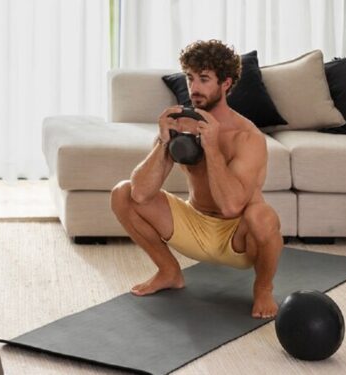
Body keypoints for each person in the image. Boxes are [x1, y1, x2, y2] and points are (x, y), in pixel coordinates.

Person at [110, 40, 283, 319]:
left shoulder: (246, 137)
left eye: (204, 79)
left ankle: (263, 288)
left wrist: (212, 147)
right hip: (194, 224)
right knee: (122, 192)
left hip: (236, 237)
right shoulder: (182, 124)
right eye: (190, 78)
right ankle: (169, 272)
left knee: (263, 216)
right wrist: (163, 143)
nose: (194, 88)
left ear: (226, 83)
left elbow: (230, 207)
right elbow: (141, 193)